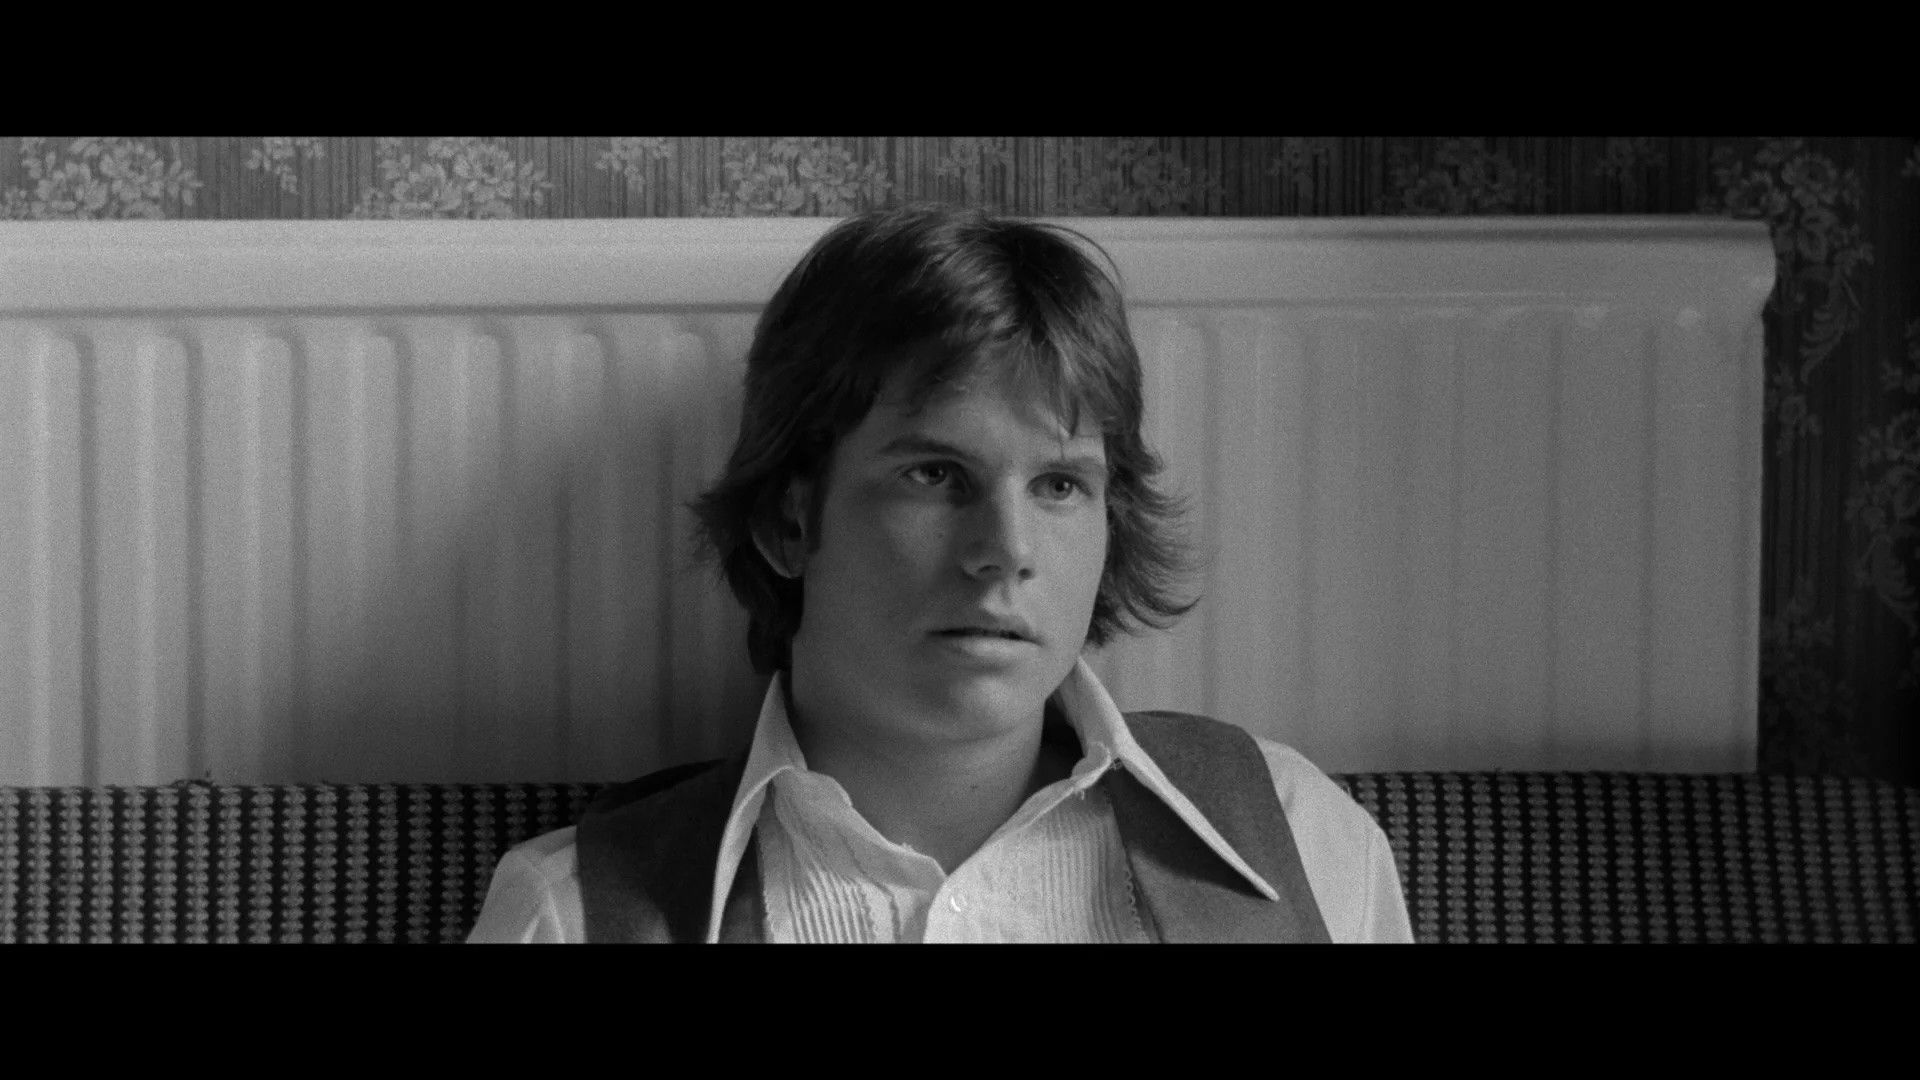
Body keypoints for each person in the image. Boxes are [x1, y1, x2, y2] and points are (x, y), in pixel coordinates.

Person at [467, 205, 1413, 943]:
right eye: (934, 475)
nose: (1006, 548)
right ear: (790, 521)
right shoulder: (575, 912)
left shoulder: (1298, 837)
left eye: (1058, 484)